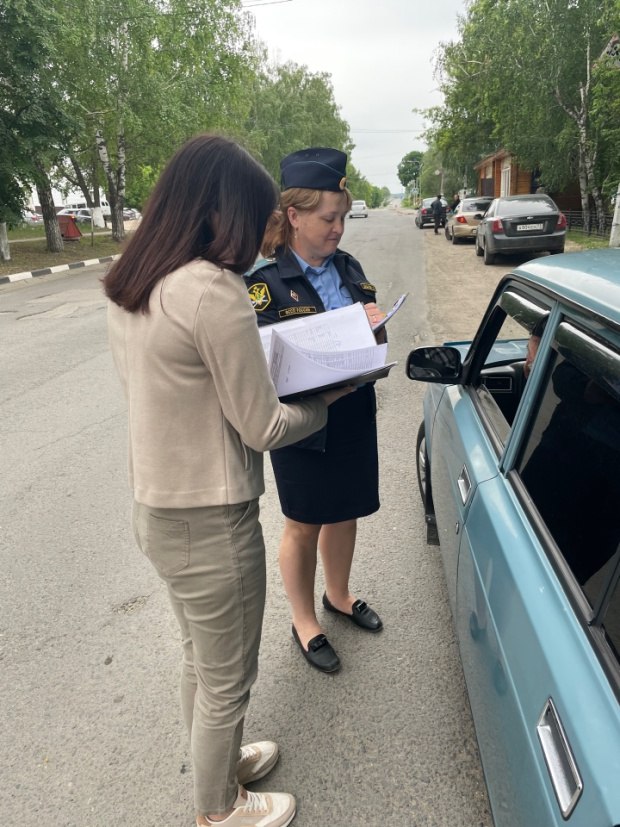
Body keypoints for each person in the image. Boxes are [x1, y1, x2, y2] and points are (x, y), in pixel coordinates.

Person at [103, 134, 349, 827]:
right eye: (254, 214)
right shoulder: (212, 290)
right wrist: (332, 393)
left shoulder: (134, 279)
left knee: (200, 661)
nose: (256, 233)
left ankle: (225, 761)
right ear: (223, 210)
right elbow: (263, 427)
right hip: (211, 518)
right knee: (229, 677)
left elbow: (175, 388)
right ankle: (219, 807)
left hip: (157, 507)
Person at [244, 147, 385, 675]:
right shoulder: (262, 283)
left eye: (344, 218)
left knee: (345, 509)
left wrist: (375, 325)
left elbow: (374, 340)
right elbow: (256, 366)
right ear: (295, 216)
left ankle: (339, 595)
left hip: (351, 410)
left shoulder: (349, 268)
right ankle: (305, 621)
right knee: (303, 521)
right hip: (302, 423)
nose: (339, 230)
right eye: (330, 218)